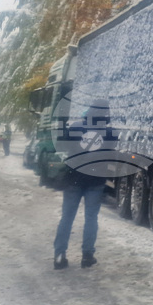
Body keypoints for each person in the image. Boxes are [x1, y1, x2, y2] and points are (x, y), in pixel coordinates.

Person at [53, 101, 111, 270]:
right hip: (95, 181)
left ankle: (59, 256)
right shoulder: (108, 132)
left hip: (74, 179)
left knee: (67, 217)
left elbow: (63, 146)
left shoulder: (76, 127)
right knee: (91, 218)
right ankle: (87, 256)